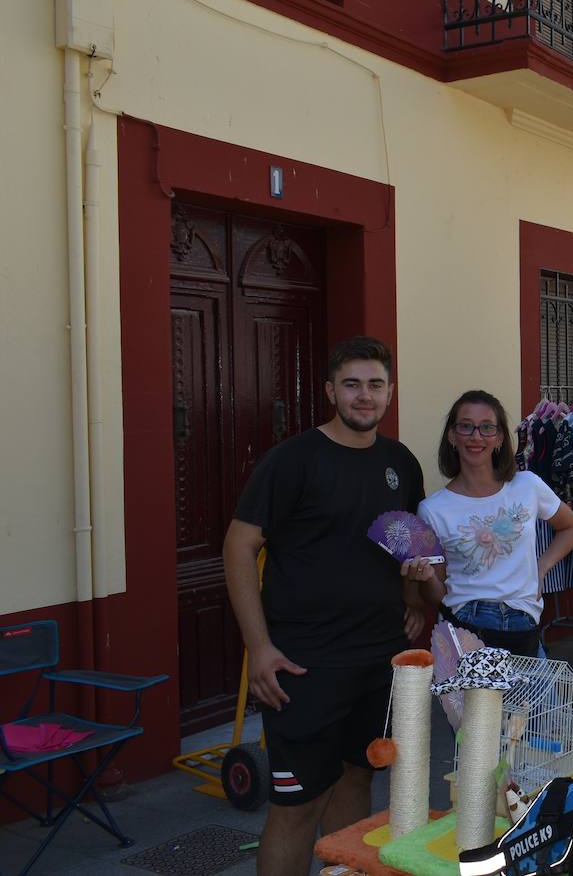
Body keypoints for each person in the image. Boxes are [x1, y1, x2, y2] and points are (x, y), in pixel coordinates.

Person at [223, 336, 432, 876]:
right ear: (330, 391)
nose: (364, 396)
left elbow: (406, 543)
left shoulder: (401, 463)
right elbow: (239, 546)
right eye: (351, 384)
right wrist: (259, 647)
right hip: (305, 663)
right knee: (297, 805)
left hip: (378, 658)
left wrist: (411, 599)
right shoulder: (293, 460)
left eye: (375, 385)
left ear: (390, 392)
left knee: (357, 779)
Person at [414, 390, 573, 656]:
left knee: (538, 686)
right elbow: (438, 594)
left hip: (523, 628)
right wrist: (424, 578)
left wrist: (541, 568)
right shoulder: (432, 509)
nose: (476, 436)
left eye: (487, 427)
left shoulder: (527, 485)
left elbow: (572, 527)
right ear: (452, 436)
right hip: (464, 631)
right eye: (466, 426)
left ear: (500, 438)